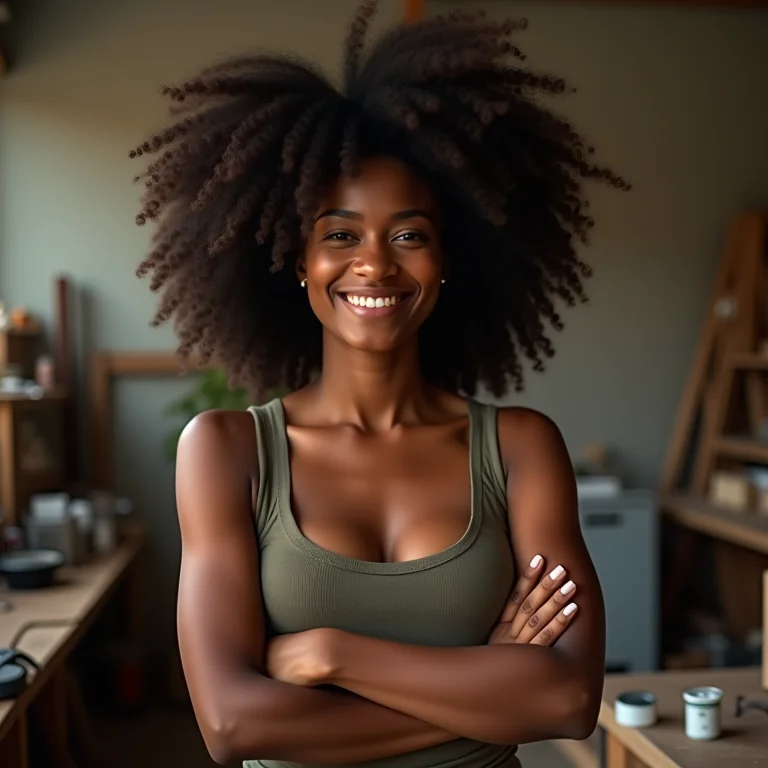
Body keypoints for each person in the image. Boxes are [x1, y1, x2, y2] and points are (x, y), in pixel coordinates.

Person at [132, 3, 627, 766]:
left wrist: (331, 653)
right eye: (339, 235)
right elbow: (233, 726)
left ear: (447, 258)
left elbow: (566, 701)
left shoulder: (521, 447)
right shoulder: (229, 451)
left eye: (409, 235)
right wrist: (488, 688)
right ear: (299, 262)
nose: (375, 264)